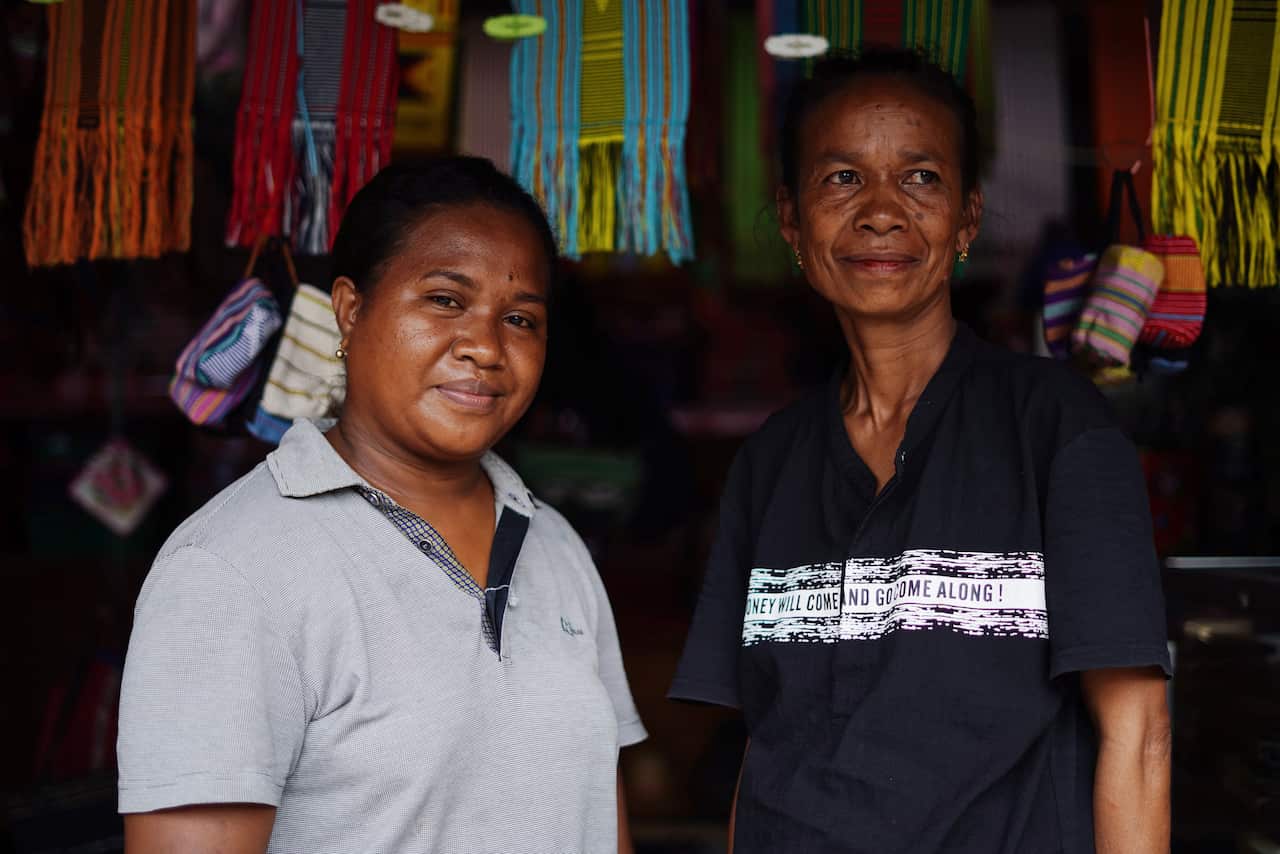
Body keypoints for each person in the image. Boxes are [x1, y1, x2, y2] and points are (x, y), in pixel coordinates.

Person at [669, 47, 1171, 854]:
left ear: (967, 219)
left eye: (920, 178)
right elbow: (765, 743)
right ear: (792, 221)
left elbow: (1138, 732)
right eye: (841, 178)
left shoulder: (1056, 426)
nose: (879, 211)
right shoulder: (772, 460)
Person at [118, 157, 647, 853]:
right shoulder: (230, 572)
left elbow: (599, 823)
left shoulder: (553, 546)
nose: (485, 347)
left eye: (519, 318)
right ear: (350, 309)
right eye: (445, 301)